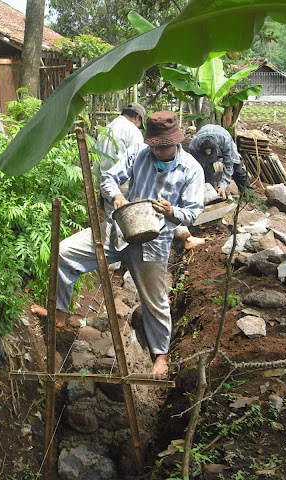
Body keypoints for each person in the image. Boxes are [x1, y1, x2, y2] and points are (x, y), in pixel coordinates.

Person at [32, 111, 205, 378]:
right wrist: (115, 196)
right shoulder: (139, 152)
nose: (158, 151)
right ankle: (59, 314)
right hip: (120, 231)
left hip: (154, 241)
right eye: (154, 145)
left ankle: (161, 356)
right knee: (65, 252)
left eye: (164, 146)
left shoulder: (191, 169)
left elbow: (193, 212)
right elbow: (108, 177)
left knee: (155, 301)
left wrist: (172, 211)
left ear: (176, 142)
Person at [188, 124, 255, 199]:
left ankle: (251, 197)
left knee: (237, 169)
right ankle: (211, 195)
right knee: (206, 170)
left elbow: (229, 165)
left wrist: (222, 186)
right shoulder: (194, 146)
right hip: (202, 143)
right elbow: (195, 167)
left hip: (223, 139)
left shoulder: (225, 141)